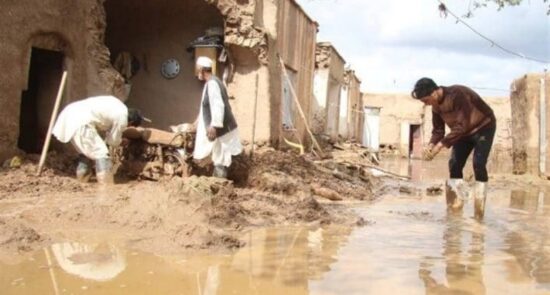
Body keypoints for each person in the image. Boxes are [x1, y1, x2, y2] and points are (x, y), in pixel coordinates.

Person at [411, 78, 496, 219]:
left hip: (483, 127)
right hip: (462, 133)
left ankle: (479, 212)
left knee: (478, 164)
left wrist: (440, 146)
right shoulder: (436, 107)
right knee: (454, 165)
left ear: (434, 92)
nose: (426, 104)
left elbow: (463, 124)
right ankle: (455, 210)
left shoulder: (457, 94)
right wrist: (431, 144)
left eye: (426, 100)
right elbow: (438, 131)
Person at [52, 95, 147, 183]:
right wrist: (122, 141)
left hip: (70, 113)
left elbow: (103, 125)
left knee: (87, 152)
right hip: (81, 121)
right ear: (130, 121)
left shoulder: (118, 105)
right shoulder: (122, 118)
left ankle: (82, 180)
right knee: (102, 153)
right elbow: (113, 141)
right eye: (129, 125)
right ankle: (105, 185)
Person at [193, 56, 242, 178]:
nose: (197, 72)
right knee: (219, 155)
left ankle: (220, 184)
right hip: (223, 128)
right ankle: (220, 182)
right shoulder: (213, 82)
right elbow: (206, 106)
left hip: (222, 128)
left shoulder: (212, 84)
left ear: (202, 70)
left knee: (221, 157)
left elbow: (218, 105)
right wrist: (197, 121)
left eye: (198, 69)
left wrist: (214, 125)